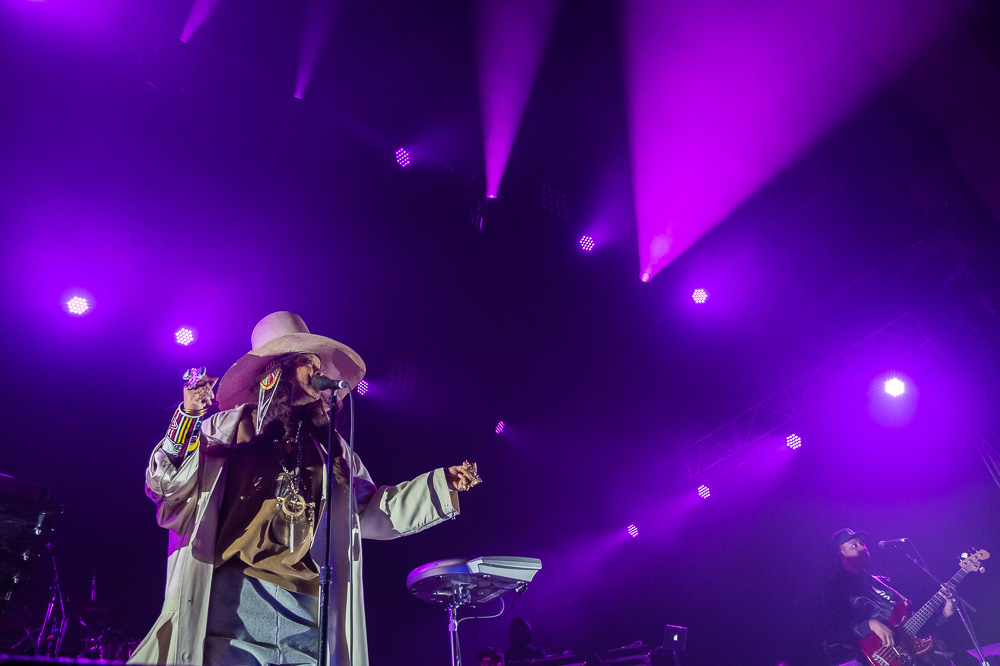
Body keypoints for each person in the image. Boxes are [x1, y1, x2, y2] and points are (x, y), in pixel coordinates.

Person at [128, 311, 481, 666]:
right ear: (275, 371)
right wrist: (187, 417)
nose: (319, 372)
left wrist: (440, 485)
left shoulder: (330, 448)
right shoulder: (225, 429)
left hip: (309, 612)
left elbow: (370, 513)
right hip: (236, 604)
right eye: (307, 363)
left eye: (319, 364)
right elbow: (166, 484)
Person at [822, 528, 978, 666]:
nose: (863, 548)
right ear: (840, 553)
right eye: (854, 545)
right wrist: (869, 624)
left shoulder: (883, 582)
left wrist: (944, 614)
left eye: (862, 543)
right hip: (878, 657)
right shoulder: (835, 587)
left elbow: (913, 624)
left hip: (916, 657)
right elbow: (834, 629)